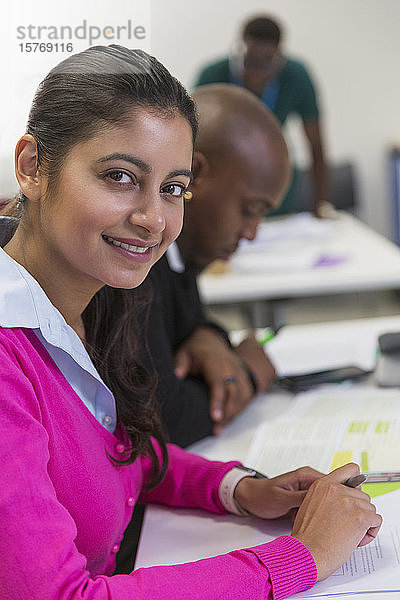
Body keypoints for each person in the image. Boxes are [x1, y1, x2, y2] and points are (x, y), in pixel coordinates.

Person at [0, 44, 381, 600]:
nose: (154, 218)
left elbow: (123, 457)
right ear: (33, 167)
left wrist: (239, 488)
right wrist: (301, 558)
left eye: (173, 189)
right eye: (121, 176)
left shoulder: (92, 300)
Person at [133, 83, 289, 447]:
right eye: (249, 210)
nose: (251, 233)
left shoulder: (182, 258)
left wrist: (208, 336)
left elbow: (187, 326)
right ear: (194, 173)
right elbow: (160, 419)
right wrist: (250, 374)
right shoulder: (137, 262)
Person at [194, 15, 328, 216]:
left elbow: (316, 145)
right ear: (239, 50)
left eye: (266, 63)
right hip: (223, 184)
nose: (256, 73)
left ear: (280, 58)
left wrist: (321, 205)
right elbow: (194, 141)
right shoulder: (213, 75)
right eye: (250, 62)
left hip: (275, 185)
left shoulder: (296, 76)